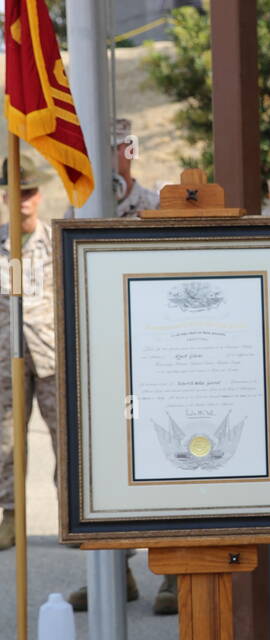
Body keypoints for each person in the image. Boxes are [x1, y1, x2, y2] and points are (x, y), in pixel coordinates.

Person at [67, 119, 168, 612]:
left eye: (117, 150)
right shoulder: (81, 205)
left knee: (162, 457)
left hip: (151, 354)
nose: (111, 160)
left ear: (131, 151)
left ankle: (170, 567)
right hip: (101, 353)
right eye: (102, 151)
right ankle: (109, 570)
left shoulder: (155, 204)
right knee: (99, 465)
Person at [0, 156, 59, 552]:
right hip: (6, 361)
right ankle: (10, 517)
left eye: (31, 191)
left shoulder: (56, 241)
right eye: (17, 190)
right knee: (6, 442)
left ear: (38, 197)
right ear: (5, 195)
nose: (24, 198)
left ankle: (71, 518)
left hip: (52, 358)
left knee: (67, 442)